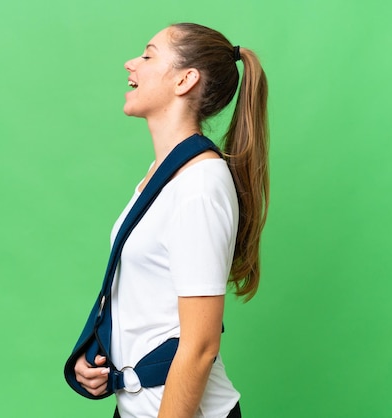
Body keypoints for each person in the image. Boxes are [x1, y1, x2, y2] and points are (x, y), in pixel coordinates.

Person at [73, 22, 269, 418]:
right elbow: (149, 301)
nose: (131, 64)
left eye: (148, 55)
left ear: (185, 79)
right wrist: (108, 364)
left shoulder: (199, 184)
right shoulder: (163, 174)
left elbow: (199, 348)